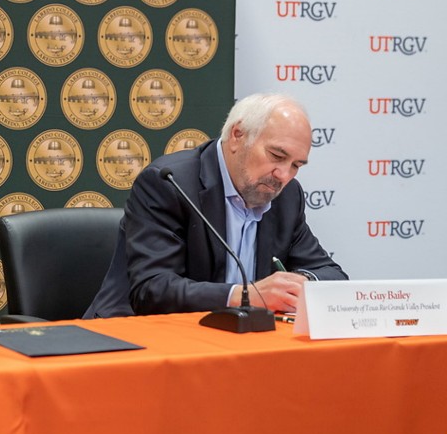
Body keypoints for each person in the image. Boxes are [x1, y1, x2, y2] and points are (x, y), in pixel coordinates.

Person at [85, 93, 347, 318]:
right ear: (237, 136)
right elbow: (153, 290)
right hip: (137, 337)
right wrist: (246, 295)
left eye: (296, 165)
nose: (284, 175)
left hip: (235, 341)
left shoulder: (287, 197)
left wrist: (302, 283)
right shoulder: (170, 183)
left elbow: (331, 275)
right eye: (277, 156)